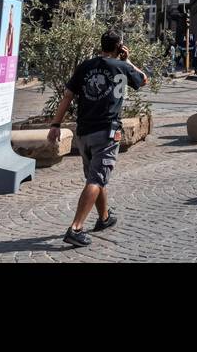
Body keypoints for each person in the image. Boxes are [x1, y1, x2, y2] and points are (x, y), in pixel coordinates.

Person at [48, 31, 148, 247]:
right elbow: (143, 80)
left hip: (83, 132)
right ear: (120, 47)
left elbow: (67, 95)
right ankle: (75, 228)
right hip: (106, 132)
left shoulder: (85, 66)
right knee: (96, 179)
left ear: (101, 45)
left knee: (96, 176)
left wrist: (55, 124)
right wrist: (128, 59)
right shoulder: (122, 67)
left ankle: (104, 218)